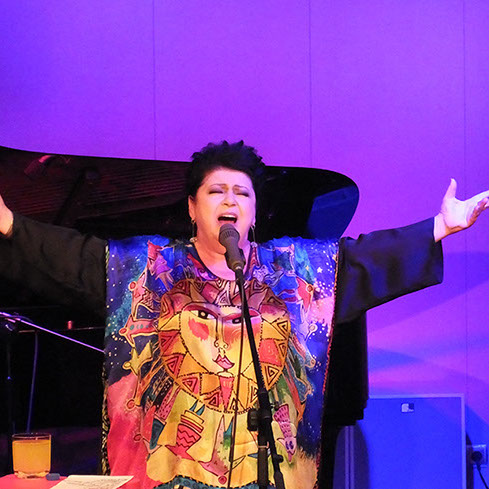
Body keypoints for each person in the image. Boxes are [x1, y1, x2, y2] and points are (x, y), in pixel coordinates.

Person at [0, 141, 488, 489]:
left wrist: (439, 227)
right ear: (193, 208)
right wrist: (9, 225)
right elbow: (75, 259)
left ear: (254, 213)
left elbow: (360, 261)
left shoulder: (295, 272)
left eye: (243, 193)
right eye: (217, 191)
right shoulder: (146, 269)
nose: (230, 200)